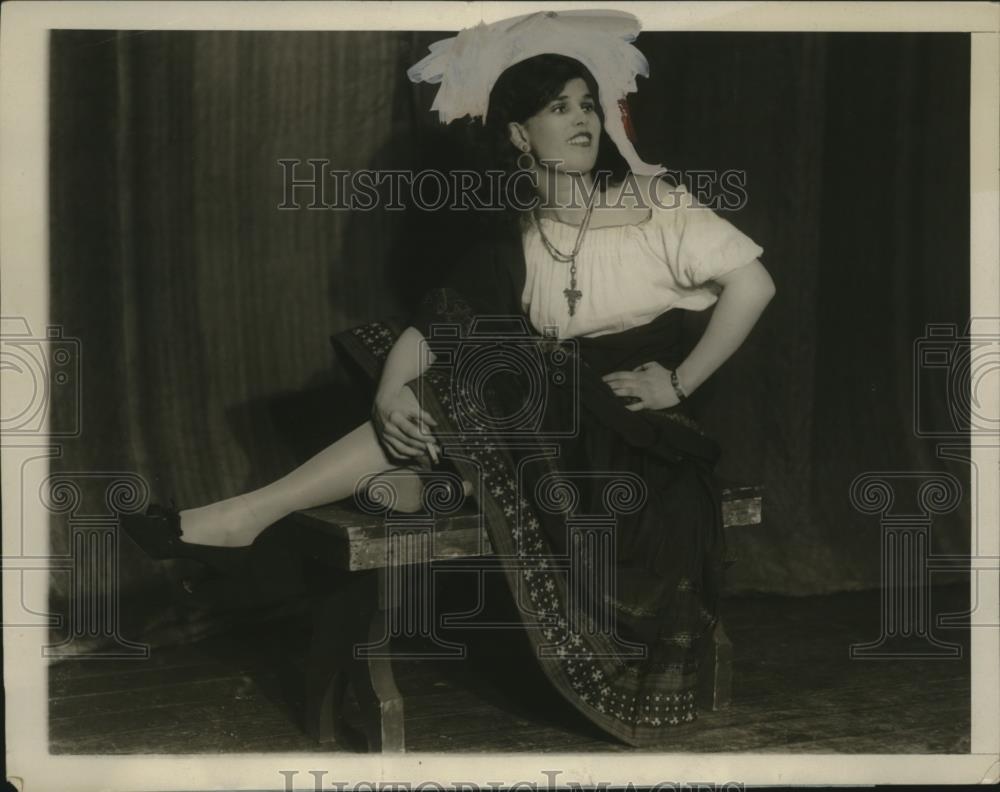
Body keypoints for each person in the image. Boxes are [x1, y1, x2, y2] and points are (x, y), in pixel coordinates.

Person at [124, 11, 775, 746]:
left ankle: (272, 515)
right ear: (520, 136)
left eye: (587, 103)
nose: (582, 119)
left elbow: (753, 286)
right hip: (552, 420)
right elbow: (436, 329)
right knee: (455, 361)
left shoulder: (656, 205)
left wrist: (679, 383)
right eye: (558, 107)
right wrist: (388, 395)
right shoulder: (518, 230)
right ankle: (346, 497)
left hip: (639, 428)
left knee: (501, 374)